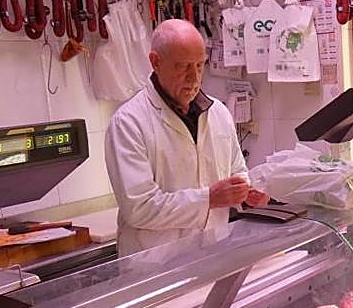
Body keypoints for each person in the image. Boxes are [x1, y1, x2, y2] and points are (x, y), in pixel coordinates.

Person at [104, 18, 267, 255]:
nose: (194, 78)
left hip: (212, 254)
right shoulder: (129, 123)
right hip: (155, 267)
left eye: (199, 66)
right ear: (156, 62)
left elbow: (236, 170)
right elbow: (140, 208)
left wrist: (245, 192)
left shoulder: (219, 113)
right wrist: (208, 199)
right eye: (182, 67)